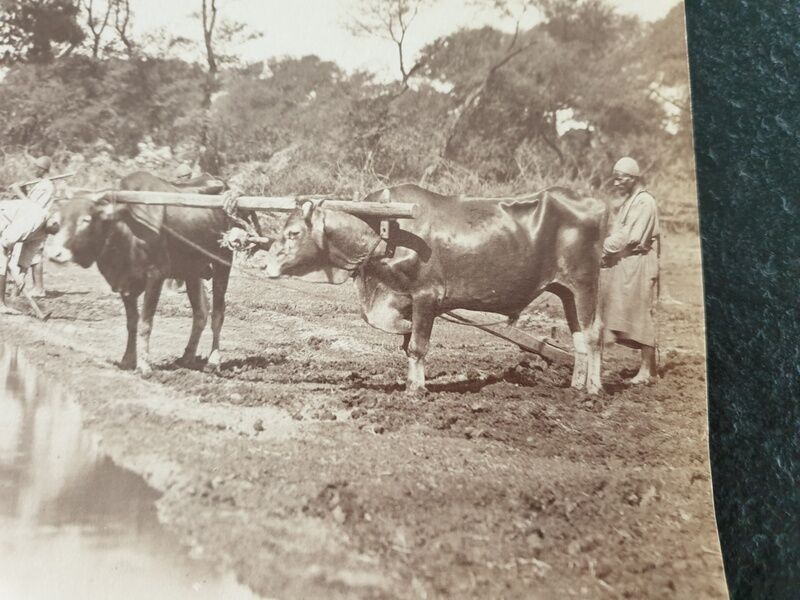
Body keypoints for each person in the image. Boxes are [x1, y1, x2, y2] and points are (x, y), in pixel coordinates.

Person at [600, 156, 660, 384]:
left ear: (633, 178)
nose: (616, 183)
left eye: (620, 179)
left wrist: (602, 249)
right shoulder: (629, 201)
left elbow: (629, 237)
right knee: (624, 307)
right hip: (628, 262)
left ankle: (647, 371)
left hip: (641, 262)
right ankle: (646, 367)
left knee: (641, 311)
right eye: (614, 179)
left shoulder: (644, 202)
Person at [0, 156, 57, 313]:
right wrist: (23, 190)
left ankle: (24, 292)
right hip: (14, 220)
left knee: (28, 258)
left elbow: (32, 208)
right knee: (4, 261)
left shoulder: (47, 187)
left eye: (36, 167)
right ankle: (6, 300)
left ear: (43, 169)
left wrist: (18, 192)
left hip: (30, 223)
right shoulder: (40, 185)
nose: (33, 170)